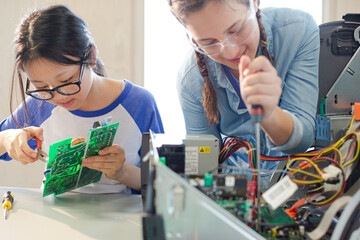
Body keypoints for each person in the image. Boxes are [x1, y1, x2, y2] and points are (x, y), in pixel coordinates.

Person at [0, 5, 164, 194]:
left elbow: (163, 183)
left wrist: (122, 172)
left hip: (123, 219)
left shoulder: (139, 103)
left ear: (91, 56)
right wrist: (6, 139)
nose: (57, 96)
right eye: (41, 87)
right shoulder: (40, 105)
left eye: (66, 80)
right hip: (58, 217)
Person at [168, 0, 319, 184]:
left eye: (236, 30)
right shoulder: (190, 80)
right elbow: (201, 167)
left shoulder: (297, 31)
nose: (232, 53)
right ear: (191, 39)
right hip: (237, 197)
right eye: (209, 43)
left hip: (297, 190)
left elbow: (303, 139)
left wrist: (269, 115)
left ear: (254, 4)